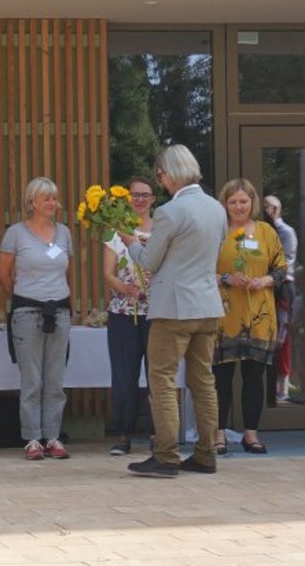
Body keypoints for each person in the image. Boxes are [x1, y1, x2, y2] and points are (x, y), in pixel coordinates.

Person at [121, 144, 226, 477]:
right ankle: (206, 453)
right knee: (203, 382)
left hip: (174, 308)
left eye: (161, 174)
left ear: (170, 173)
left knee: (162, 380)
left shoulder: (169, 211)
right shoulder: (216, 208)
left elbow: (149, 261)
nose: (160, 180)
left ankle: (166, 456)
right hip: (208, 304)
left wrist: (130, 243)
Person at [0, 176, 73, 461]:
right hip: (27, 312)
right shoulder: (16, 233)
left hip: (60, 311)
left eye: (54, 197)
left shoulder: (64, 233)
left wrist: (69, 306)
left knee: (55, 379)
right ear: (32, 202)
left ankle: (52, 436)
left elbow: (69, 273)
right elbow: (4, 274)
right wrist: (20, 297)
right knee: (32, 380)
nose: (52, 203)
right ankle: (31, 439)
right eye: (46, 198)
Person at [212, 179, 287, 455]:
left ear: (253, 202)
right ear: (225, 205)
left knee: (254, 378)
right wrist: (226, 278)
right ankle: (218, 436)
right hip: (224, 315)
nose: (238, 206)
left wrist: (265, 280)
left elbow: (281, 267)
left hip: (260, 316)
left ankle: (251, 436)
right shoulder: (216, 233)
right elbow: (201, 269)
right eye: (233, 202)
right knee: (221, 378)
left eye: (243, 201)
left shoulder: (266, 231)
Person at [103, 177, 156, 456]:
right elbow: (107, 272)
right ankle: (123, 435)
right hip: (123, 313)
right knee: (124, 376)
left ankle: (159, 433)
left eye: (145, 194)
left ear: (153, 199)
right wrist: (124, 287)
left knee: (157, 376)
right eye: (135, 195)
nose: (139, 199)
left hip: (157, 313)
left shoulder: (162, 229)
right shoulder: (116, 231)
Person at [263, 195, 297, 401]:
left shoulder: (285, 232)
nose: (267, 210)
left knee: (282, 337)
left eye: (270, 206)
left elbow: (284, 263)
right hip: (269, 285)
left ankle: (283, 386)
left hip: (282, 286)